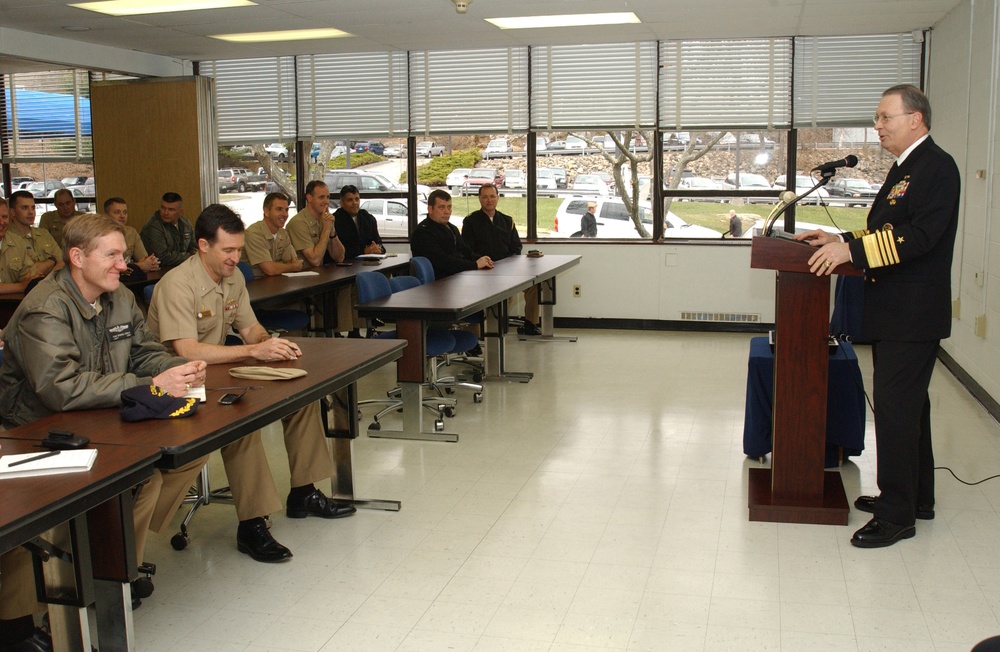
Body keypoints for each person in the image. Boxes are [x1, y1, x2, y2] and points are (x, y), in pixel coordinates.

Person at [0, 214, 208, 641]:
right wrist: (151, 384)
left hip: (97, 416)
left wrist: (180, 369)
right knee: (53, 509)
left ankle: (109, 570)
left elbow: (145, 351)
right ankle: (23, 624)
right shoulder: (45, 307)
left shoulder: (119, 297)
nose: (123, 264)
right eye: (112, 255)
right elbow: (60, 388)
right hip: (34, 429)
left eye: (124, 254)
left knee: (158, 468)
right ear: (77, 257)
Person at [795, 84, 960, 548]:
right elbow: (880, 231)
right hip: (894, 312)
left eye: (886, 117)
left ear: (916, 119)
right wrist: (834, 238)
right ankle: (916, 499)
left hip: (913, 315)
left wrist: (851, 249)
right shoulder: (905, 168)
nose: (879, 126)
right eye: (878, 118)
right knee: (909, 409)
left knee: (894, 411)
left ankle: (896, 515)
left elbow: (919, 237)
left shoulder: (937, 168)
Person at [147, 203, 355, 564]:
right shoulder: (177, 284)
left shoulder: (233, 278)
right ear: (203, 245)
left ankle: (303, 492)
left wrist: (268, 343)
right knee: (242, 422)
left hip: (216, 371)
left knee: (297, 391)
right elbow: (185, 349)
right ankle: (252, 523)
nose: (235, 258)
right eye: (228, 250)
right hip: (177, 382)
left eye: (239, 250)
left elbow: (249, 328)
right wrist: (255, 351)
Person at [461, 183, 540, 335]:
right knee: (504, 294)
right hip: (484, 271)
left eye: (492, 196)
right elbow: (467, 250)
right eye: (485, 197)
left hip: (508, 269)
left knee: (534, 285)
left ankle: (530, 323)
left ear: (497, 198)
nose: (489, 200)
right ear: (479, 199)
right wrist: (482, 262)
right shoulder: (471, 221)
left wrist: (510, 263)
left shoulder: (507, 220)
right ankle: (494, 328)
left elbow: (516, 247)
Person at [286, 181, 352, 334]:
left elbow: (340, 257)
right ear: (309, 198)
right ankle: (324, 334)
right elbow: (314, 260)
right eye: (321, 197)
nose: (326, 202)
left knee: (345, 286)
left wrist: (332, 231)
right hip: (300, 279)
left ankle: (341, 334)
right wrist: (326, 230)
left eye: (328, 197)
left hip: (317, 277)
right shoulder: (299, 222)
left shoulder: (324, 219)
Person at [332, 184, 384, 337]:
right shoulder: (336, 220)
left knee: (382, 277)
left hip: (367, 264)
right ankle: (352, 329)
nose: (354, 203)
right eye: (350, 200)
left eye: (357, 199)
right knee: (352, 286)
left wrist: (377, 248)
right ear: (342, 202)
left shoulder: (367, 218)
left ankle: (373, 319)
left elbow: (379, 242)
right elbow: (343, 250)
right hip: (344, 267)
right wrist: (363, 250)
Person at [411, 189, 493, 278]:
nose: (447, 211)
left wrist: (482, 259)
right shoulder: (422, 233)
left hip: (457, 277)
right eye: (441, 207)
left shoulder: (452, 228)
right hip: (437, 284)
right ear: (430, 209)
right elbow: (443, 262)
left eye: (449, 207)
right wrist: (475, 264)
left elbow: (465, 251)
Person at [3, 191, 64, 283]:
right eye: (24, 208)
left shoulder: (43, 234)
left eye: (33, 208)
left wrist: (46, 280)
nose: (31, 212)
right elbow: (29, 274)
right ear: (12, 212)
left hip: (49, 287)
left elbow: (62, 262)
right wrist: (51, 261)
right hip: (18, 294)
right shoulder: (7, 238)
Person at [241, 191, 302, 277]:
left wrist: (283, 266)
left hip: (277, 282)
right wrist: (289, 267)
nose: (285, 214)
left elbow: (293, 262)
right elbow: (270, 269)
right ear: (266, 211)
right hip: (254, 285)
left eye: (286, 210)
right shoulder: (253, 233)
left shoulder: (282, 233)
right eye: (279, 209)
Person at [139, 192, 197, 268]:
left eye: (171, 209)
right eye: (163, 208)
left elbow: (194, 247)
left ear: (181, 212)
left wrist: (193, 255)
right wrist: (191, 257)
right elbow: (162, 258)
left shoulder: (186, 223)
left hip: (183, 268)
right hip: (160, 272)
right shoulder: (153, 226)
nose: (166, 213)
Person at [104, 196, 160, 272]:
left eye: (125, 212)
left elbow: (145, 259)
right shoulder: (101, 235)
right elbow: (109, 267)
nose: (122, 216)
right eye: (117, 212)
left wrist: (151, 263)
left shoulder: (131, 232)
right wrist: (138, 266)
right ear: (106, 216)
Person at [0, 198, 39, 294]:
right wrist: (20, 286)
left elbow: (30, 277)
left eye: (4, 217)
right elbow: (23, 285)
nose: (1, 222)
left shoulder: (17, 242)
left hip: (12, 306)